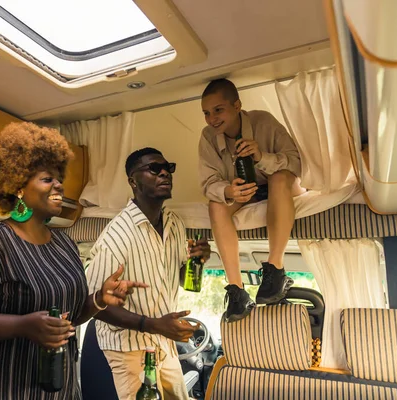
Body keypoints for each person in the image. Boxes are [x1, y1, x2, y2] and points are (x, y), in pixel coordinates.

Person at [0, 122, 147, 400]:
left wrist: (98, 299)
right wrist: (22, 325)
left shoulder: (65, 245)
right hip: (2, 389)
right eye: (47, 179)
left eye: (59, 178)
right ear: (18, 186)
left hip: (61, 389)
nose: (59, 184)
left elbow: (67, 317)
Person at [86, 147, 211, 400]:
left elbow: (175, 277)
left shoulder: (175, 224)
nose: (165, 173)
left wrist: (196, 261)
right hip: (128, 348)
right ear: (133, 181)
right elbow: (94, 305)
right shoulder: (117, 235)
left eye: (168, 168)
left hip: (163, 342)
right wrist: (153, 325)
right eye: (154, 169)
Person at [198, 78, 306, 322]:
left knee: (279, 178)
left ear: (237, 106)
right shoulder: (207, 137)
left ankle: (275, 269)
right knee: (216, 204)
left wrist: (261, 156)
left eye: (218, 110)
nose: (212, 118)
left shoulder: (263, 121)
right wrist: (228, 191)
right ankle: (237, 291)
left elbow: (296, 163)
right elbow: (208, 183)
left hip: (283, 184)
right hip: (246, 190)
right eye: (206, 113)